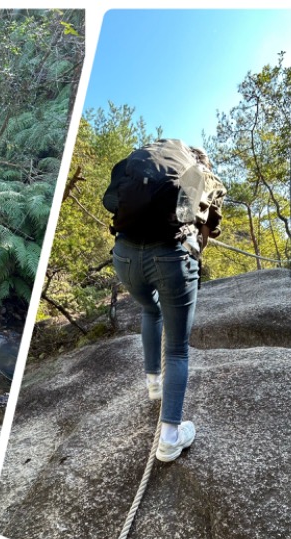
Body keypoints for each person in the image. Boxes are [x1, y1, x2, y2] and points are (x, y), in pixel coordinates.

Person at [109, 141, 225, 462]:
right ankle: (170, 438)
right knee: (176, 348)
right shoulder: (199, 174)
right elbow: (206, 229)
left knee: (150, 308)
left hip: (125, 256)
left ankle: (153, 384)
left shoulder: (150, 165)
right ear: (203, 162)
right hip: (171, 257)